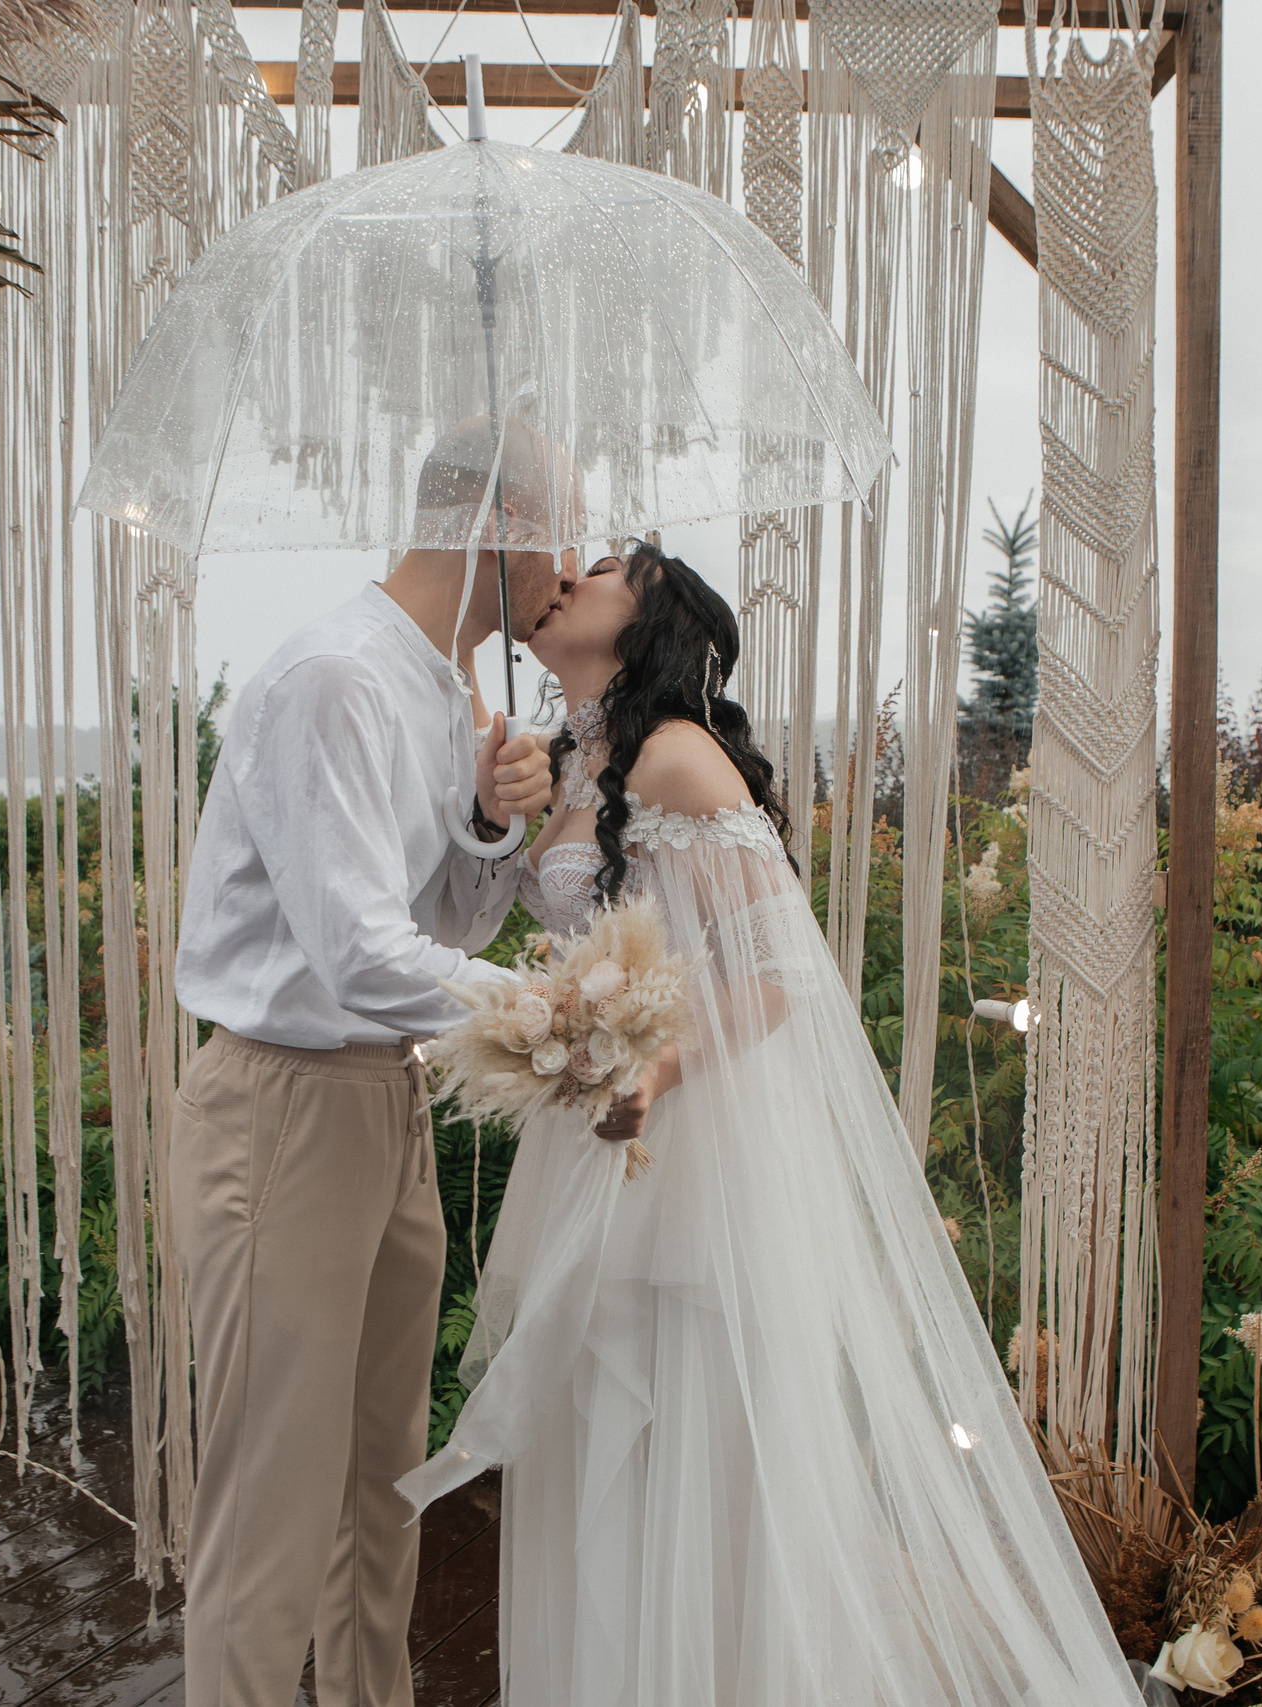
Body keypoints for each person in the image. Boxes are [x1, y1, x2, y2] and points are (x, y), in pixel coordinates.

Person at [396, 546, 1145, 1706]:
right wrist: (502, 827)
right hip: (587, 1144)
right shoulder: (564, 760)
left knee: (685, 1453)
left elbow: (778, 975)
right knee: (596, 1445)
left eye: (603, 571)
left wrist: (657, 1072)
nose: (567, 578)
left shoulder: (679, 757)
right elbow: (506, 920)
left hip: (687, 1156)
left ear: (647, 624)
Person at [172, 418, 574, 1707]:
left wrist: (494, 824)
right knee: (270, 1520)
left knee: (381, 1492)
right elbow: (356, 955)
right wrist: (573, 1013)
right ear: (497, 521)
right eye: (555, 532)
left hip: (382, 1104)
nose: (563, 571)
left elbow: (445, 925)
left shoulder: (444, 687)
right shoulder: (333, 677)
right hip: (283, 1114)